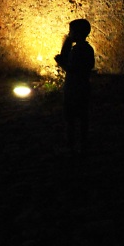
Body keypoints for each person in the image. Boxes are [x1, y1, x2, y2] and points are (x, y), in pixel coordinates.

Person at [55, 18, 95, 154]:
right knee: (83, 118)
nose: (69, 34)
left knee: (70, 118)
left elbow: (72, 69)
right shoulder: (88, 49)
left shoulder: (77, 50)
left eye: (71, 31)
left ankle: (71, 146)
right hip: (84, 88)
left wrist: (61, 63)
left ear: (77, 33)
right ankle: (83, 145)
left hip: (73, 89)